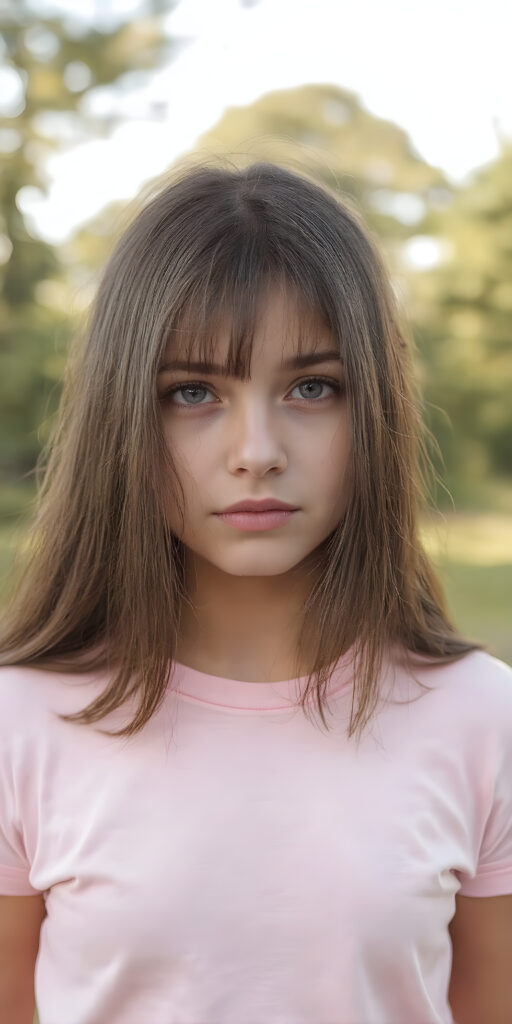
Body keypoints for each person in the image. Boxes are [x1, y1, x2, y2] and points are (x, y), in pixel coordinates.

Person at [0, 160, 511, 1024]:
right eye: (194, 392)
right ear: (124, 415)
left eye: (313, 387)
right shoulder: (22, 722)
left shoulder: (483, 719)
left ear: (374, 407)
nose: (257, 450)